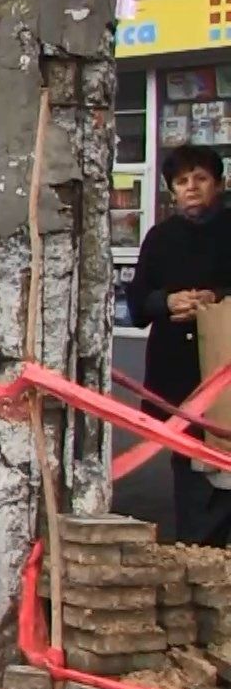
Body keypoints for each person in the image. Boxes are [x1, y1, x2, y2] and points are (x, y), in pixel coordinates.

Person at [127, 145, 231, 546]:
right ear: (172, 191)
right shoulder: (160, 237)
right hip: (178, 372)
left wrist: (215, 301)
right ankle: (195, 550)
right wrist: (167, 302)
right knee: (188, 466)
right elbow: (137, 303)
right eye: (182, 181)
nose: (192, 188)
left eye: (201, 179)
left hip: (223, 367)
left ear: (218, 184)